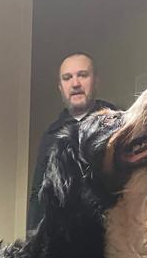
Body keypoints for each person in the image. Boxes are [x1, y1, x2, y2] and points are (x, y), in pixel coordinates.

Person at [26, 52, 117, 233]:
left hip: (110, 234)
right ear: (60, 87)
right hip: (64, 237)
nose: (75, 84)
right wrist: (32, 237)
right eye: (67, 78)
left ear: (95, 81)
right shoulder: (51, 137)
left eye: (82, 75)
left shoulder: (116, 124)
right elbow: (38, 195)